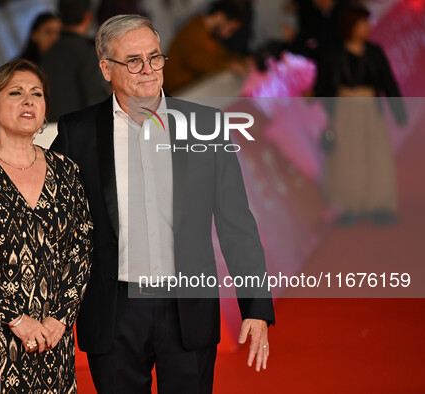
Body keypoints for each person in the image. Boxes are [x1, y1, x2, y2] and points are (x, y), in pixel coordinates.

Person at [51, 14, 274, 393]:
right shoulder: (78, 133)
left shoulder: (208, 126)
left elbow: (238, 226)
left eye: (155, 57)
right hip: (113, 312)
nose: (148, 70)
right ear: (106, 69)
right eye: (133, 61)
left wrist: (255, 308)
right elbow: (49, 220)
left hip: (187, 309)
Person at [0, 59, 93, 393]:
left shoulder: (67, 171)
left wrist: (59, 319)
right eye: (16, 92)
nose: (29, 101)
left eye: (37, 94)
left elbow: (80, 252)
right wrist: (17, 320)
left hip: (50, 341)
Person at [314, 5, 407, 226]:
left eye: (367, 23)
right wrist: (327, 113)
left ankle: (380, 206)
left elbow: (388, 83)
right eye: (362, 23)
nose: (367, 28)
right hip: (344, 110)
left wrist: (399, 112)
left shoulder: (374, 52)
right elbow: (322, 87)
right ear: (349, 26)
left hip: (370, 109)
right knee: (346, 158)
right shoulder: (332, 54)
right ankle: (348, 207)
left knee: (376, 155)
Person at [40, 0, 109, 122]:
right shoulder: (88, 52)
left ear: (59, 19)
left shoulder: (47, 55)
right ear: (88, 17)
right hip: (83, 129)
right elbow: (95, 100)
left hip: (52, 130)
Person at [163, 0, 247, 93]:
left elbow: (220, 55)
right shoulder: (195, 31)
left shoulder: (207, 33)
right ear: (220, 17)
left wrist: (240, 60)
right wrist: (229, 65)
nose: (228, 35)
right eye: (230, 29)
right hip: (177, 92)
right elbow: (201, 65)